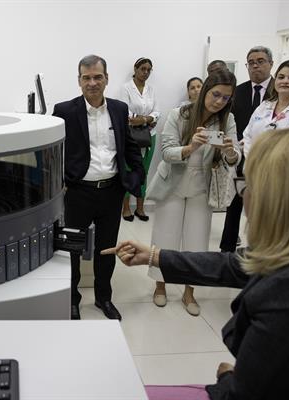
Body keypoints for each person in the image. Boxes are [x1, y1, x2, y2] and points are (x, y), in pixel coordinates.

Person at [102, 125, 289, 400]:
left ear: (277, 199)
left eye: (247, 185)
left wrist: (227, 376)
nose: (244, 195)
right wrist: (155, 255)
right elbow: (233, 265)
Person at [52, 54, 145, 320]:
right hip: (78, 192)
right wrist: (60, 183)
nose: (92, 82)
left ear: (107, 79)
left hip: (111, 191)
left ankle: (103, 298)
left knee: (107, 249)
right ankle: (72, 299)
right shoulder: (65, 111)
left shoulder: (118, 109)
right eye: (86, 78)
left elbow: (129, 145)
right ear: (79, 81)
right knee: (72, 249)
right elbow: (54, 151)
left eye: (97, 77)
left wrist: (136, 175)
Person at [145, 70, 240, 315]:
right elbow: (166, 152)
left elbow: (234, 156)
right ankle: (161, 286)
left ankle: (189, 292)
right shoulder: (180, 114)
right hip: (173, 185)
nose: (219, 101)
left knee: (197, 242)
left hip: (202, 187)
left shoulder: (227, 120)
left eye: (225, 98)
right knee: (165, 238)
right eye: (215, 94)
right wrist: (190, 147)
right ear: (205, 90)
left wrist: (230, 153)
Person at [219, 46, 273, 253]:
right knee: (234, 204)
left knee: (264, 209)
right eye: (251, 62)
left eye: (260, 61)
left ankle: (261, 251)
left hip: (269, 163)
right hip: (240, 159)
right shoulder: (237, 92)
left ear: (271, 64)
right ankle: (227, 249)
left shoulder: (280, 90)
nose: (255, 65)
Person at [118, 57, 160, 222]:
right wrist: (147, 118)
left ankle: (140, 208)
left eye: (149, 70)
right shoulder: (126, 88)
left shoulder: (151, 90)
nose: (146, 72)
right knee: (129, 171)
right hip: (131, 136)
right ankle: (126, 208)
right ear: (135, 69)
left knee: (144, 171)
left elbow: (157, 112)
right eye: (143, 69)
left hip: (150, 135)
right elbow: (125, 113)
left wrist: (144, 119)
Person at [243, 59, 289, 156]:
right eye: (281, 77)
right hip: (254, 166)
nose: (285, 81)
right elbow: (247, 136)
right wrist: (252, 161)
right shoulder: (264, 105)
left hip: (285, 168)